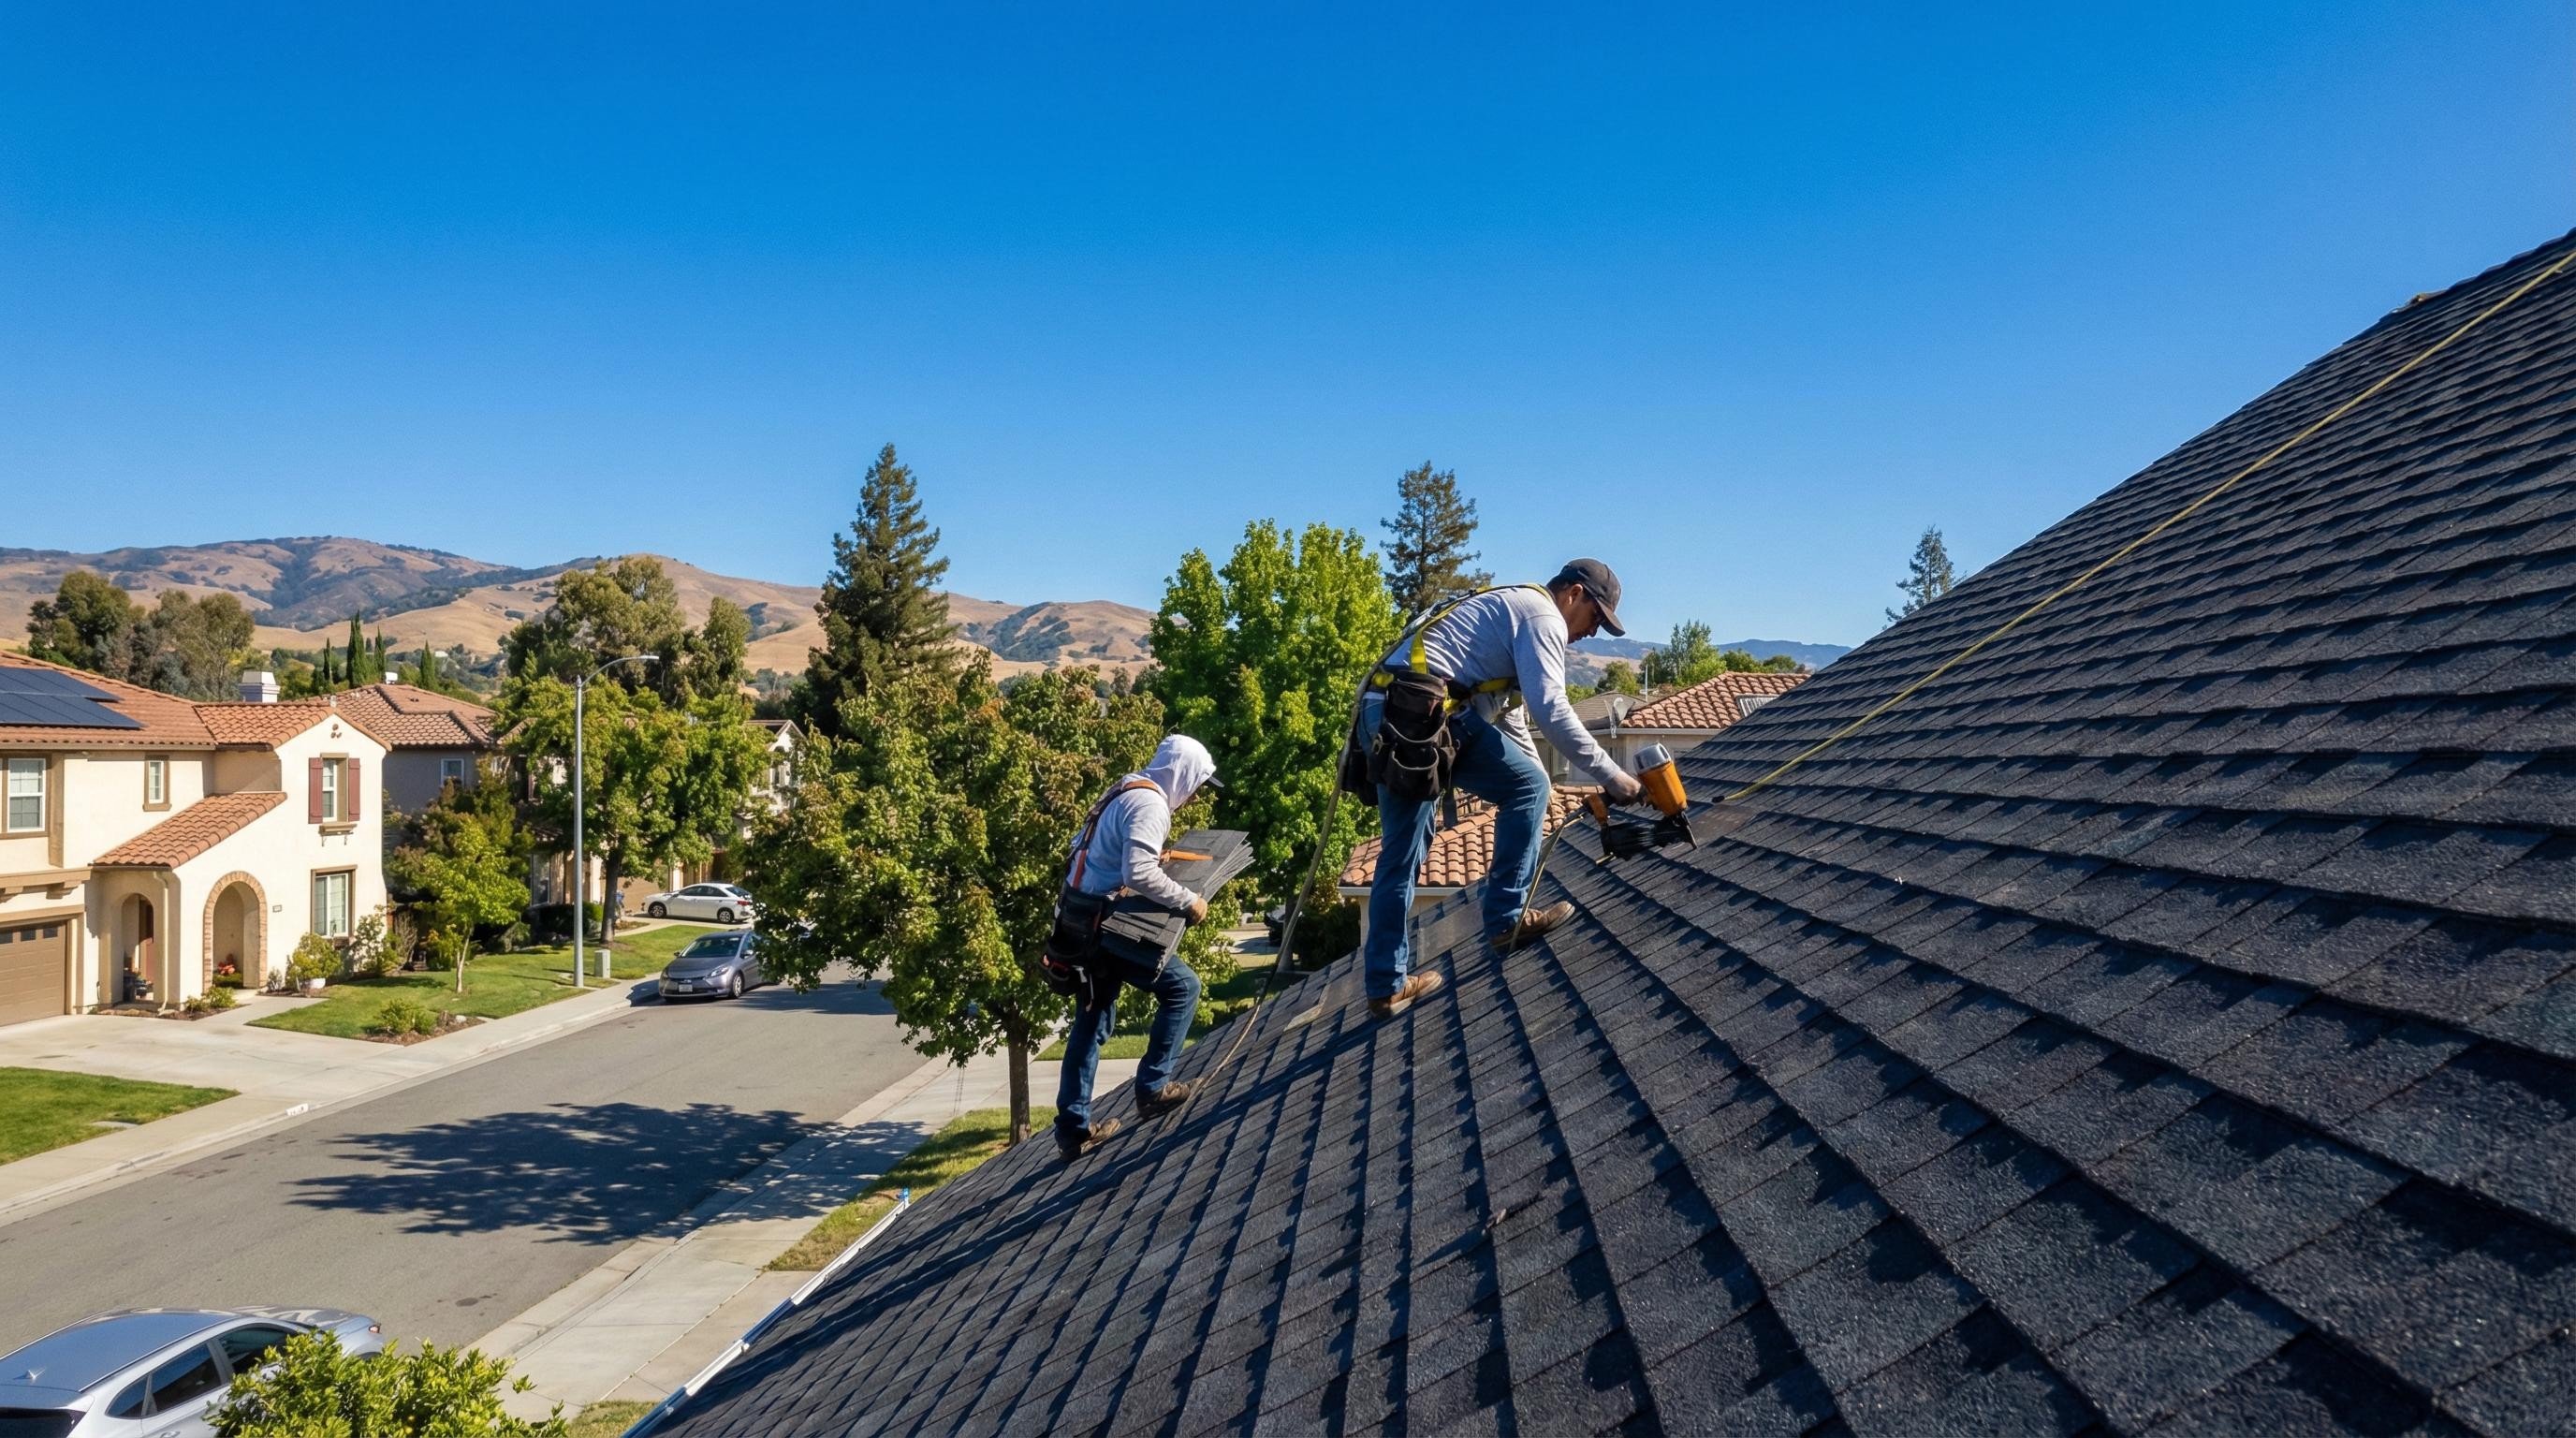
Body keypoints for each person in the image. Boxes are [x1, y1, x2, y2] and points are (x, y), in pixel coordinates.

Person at [1354, 559, 1646, 1018]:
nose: (1592, 633)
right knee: (1522, 791)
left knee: (1404, 852)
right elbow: (1552, 709)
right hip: (1418, 716)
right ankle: (1507, 920)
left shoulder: (1511, 613)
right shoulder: (1542, 616)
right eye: (1596, 617)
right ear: (1573, 594)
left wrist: (1540, 785)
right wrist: (1614, 775)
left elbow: (1510, 720)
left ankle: (1385, 986)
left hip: (1393, 712)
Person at [1053, 734, 1221, 1163]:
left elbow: (1097, 854)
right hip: (1106, 925)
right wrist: (1190, 901)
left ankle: (1072, 1131)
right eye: (1198, 784)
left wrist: (1147, 859)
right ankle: (1152, 1089)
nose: (1196, 793)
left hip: (1080, 919)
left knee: (1090, 1021)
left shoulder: (1127, 788)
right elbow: (1138, 873)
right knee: (1183, 989)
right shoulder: (1151, 805)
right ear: (1182, 775)